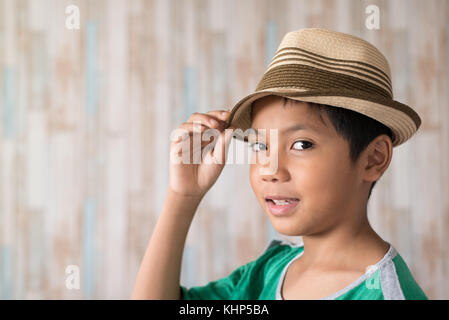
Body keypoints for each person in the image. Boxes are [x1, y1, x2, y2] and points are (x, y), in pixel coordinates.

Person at [131, 28, 428, 300]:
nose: (269, 169)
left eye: (301, 144)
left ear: (374, 158)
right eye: (261, 145)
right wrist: (183, 196)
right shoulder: (266, 273)